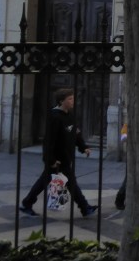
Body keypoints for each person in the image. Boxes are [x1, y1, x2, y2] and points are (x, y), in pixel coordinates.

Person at [20, 88, 98, 217]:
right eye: (70, 99)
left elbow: (75, 133)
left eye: (73, 98)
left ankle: (27, 203)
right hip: (58, 159)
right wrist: (50, 159)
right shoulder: (55, 117)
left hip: (66, 156)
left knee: (44, 181)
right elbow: (49, 141)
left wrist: (83, 147)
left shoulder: (70, 115)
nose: (73, 101)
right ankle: (85, 207)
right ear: (62, 101)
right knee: (71, 183)